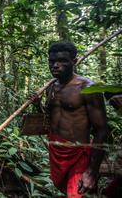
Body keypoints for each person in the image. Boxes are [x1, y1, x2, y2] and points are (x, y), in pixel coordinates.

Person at [32, 42, 108, 197]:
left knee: (75, 193)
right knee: (66, 190)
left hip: (78, 154)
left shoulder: (88, 88)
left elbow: (102, 129)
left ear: (74, 61)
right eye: (52, 62)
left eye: (62, 61)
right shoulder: (51, 87)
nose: (55, 66)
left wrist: (91, 172)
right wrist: (37, 104)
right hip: (57, 152)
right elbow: (50, 118)